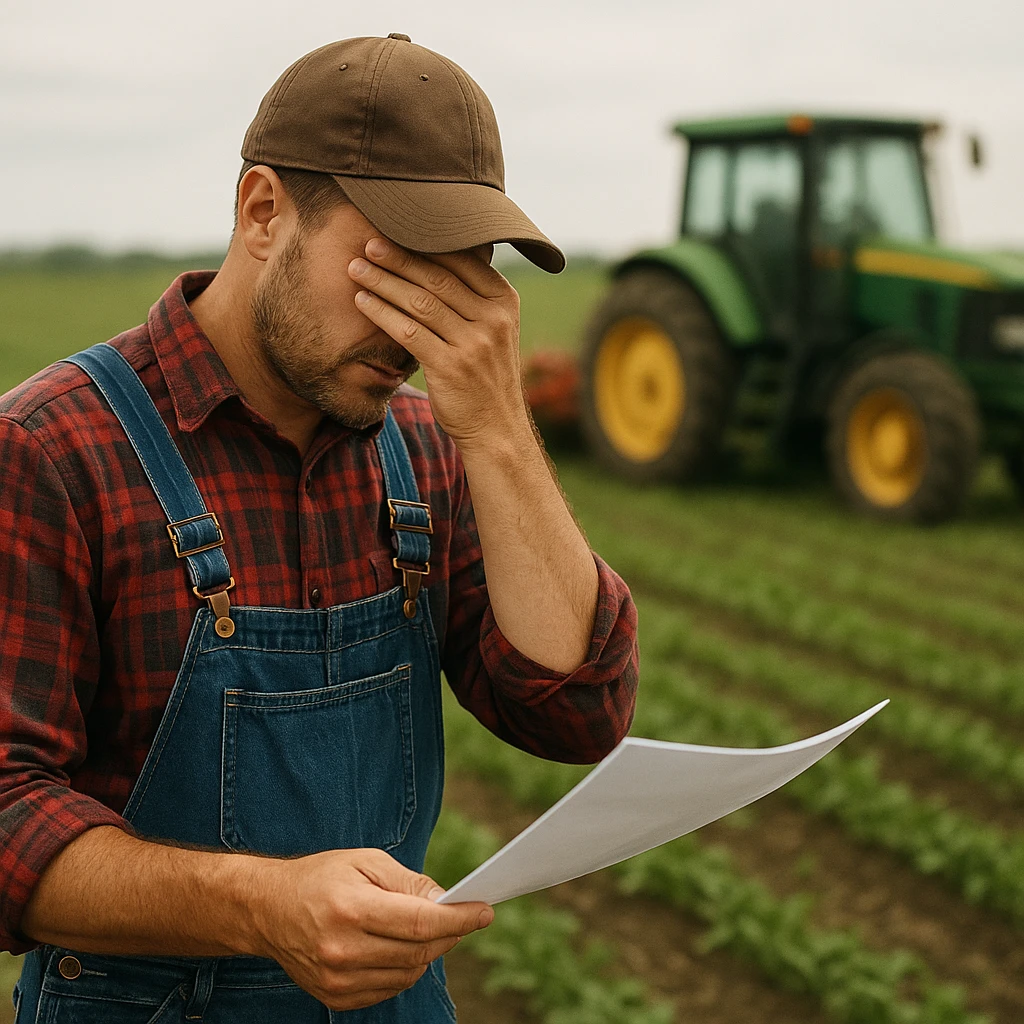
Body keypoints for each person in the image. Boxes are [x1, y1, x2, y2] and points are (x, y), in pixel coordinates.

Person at [0, 32, 639, 1023]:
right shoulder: (52, 449)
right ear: (264, 212)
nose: (416, 328)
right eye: (395, 270)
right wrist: (261, 908)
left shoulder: (428, 450)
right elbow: (5, 812)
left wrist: (500, 429)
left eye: (461, 282)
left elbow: (574, 711)